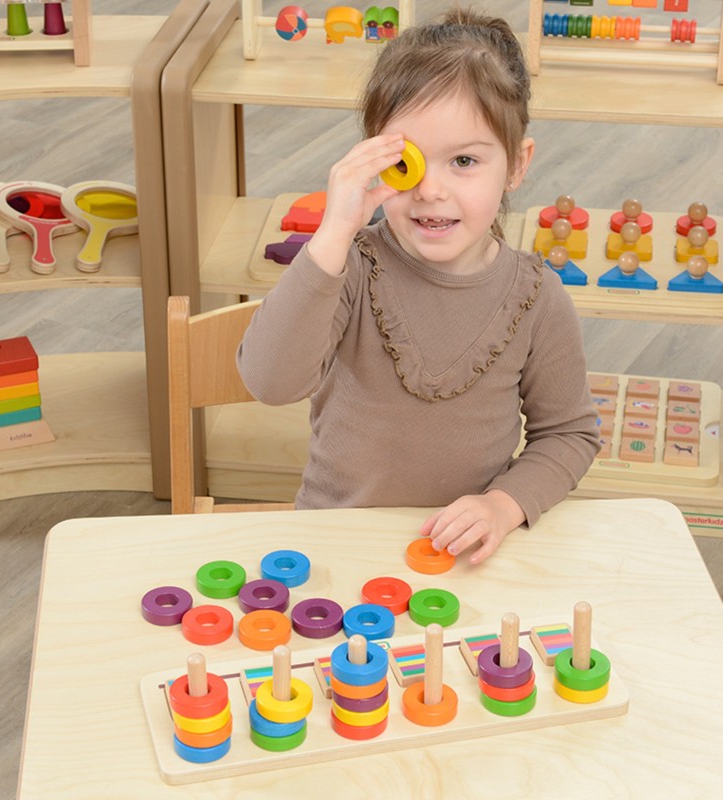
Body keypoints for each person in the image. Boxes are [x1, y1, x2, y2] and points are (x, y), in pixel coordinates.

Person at [238, 7, 599, 564]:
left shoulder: (536, 297)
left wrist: (504, 506)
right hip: (338, 548)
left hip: (462, 555)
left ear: (516, 166)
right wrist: (334, 232)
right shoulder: (351, 268)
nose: (431, 191)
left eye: (463, 160)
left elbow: (569, 433)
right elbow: (269, 380)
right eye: (407, 163)